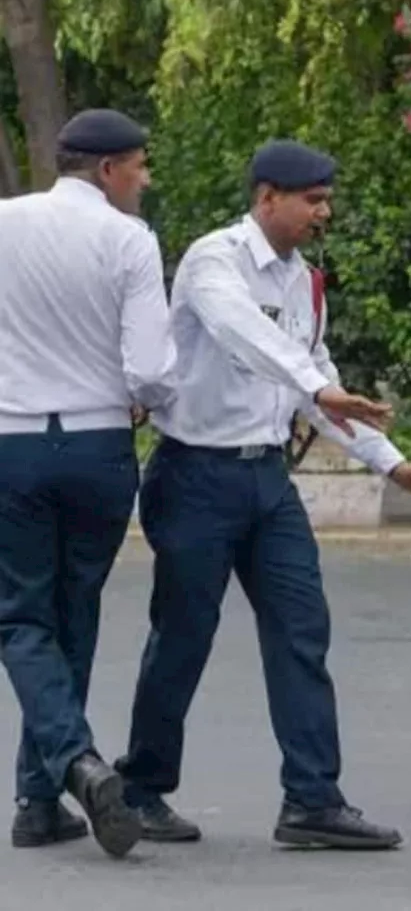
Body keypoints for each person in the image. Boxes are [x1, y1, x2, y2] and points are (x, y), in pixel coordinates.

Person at [111, 139, 411, 849]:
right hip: (195, 477)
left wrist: (392, 465)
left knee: (302, 631)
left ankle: (312, 800)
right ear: (267, 197)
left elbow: (318, 376)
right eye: (312, 199)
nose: (323, 212)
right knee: (183, 636)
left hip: (266, 482)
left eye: (326, 199)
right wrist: (314, 384)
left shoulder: (305, 281)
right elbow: (246, 338)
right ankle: (142, 789)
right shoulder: (216, 260)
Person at [0, 108, 177, 858]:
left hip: (14, 443)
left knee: (20, 618)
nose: (144, 179)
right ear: (106, 171)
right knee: (74, 610)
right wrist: (150, 399)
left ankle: (63, 772)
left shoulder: (3, 223)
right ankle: (51, 790)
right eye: (138, 166)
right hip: (101, 444)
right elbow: (149, 370)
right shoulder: (128, 239)